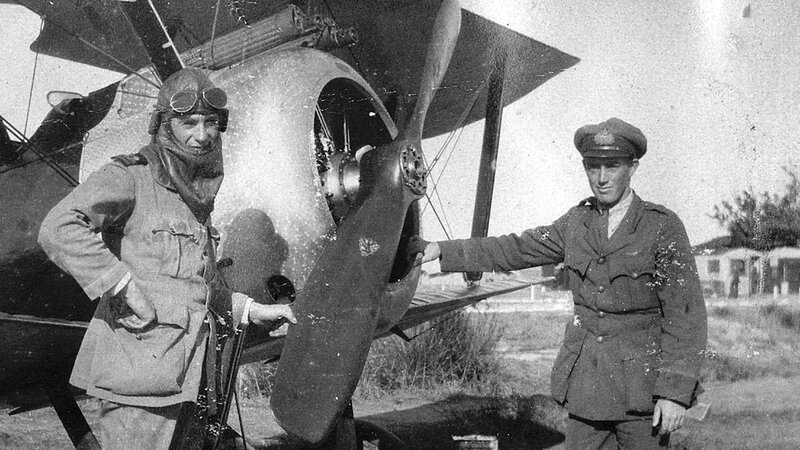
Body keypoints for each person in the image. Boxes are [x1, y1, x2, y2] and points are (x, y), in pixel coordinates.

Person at [38, 67, 296, 449]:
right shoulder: (132, 176)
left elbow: (199, 284)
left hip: (193, 381)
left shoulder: (195, 198)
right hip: (141, 383)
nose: (202, 135)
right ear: (164, 124)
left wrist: (249, 310)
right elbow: (58, 227)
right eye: (189, 123)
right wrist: (121, 284)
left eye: (211, 123)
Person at [411, 118, 707, 449]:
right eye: (593, 166)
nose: (602, 177)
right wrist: (443, 250)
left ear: (633, 167)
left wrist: (674, 393)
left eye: (612, 166)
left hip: (642, 395)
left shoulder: (661, 227)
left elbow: (686, 316)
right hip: (587, 391)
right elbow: (517, 249)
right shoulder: (576, 223)